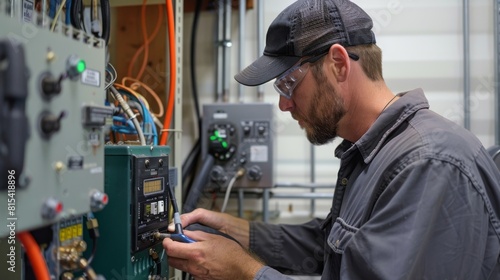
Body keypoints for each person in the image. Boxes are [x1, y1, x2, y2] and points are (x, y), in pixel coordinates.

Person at [163, 0, 500, 279]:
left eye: (288, 82)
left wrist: (245, 270)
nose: (283, 103)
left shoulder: (427, 163)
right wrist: (240, 232)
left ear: (338, 63)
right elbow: (332, 249)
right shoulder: (374, 153)